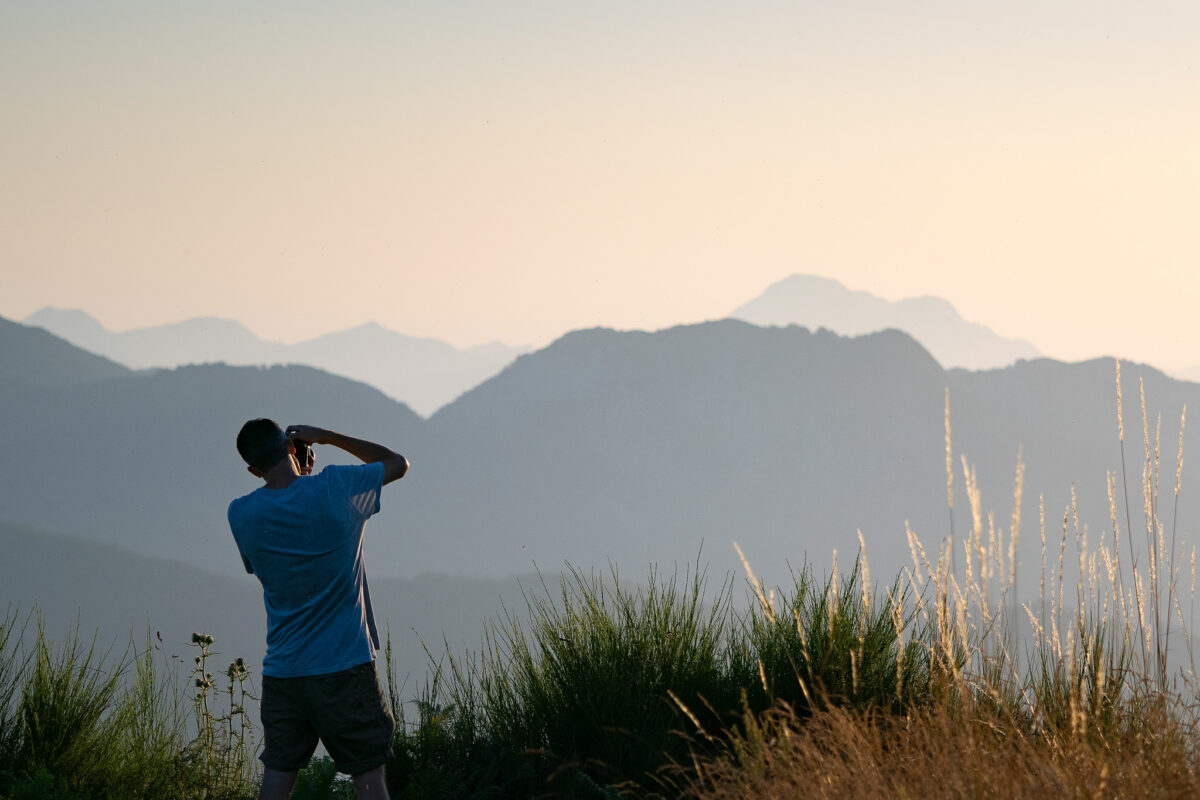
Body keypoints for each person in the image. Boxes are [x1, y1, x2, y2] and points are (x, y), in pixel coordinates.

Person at [228, 419, 409, 800]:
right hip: (344, 666)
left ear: (253, 470)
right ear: (291, 447)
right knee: (368, 775)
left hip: (284, 672)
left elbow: (268, 558)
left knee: (277, 778)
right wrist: (328, 437)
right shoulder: (336, 488)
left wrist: (301, 483)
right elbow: (397, 463)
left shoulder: (241, 513)